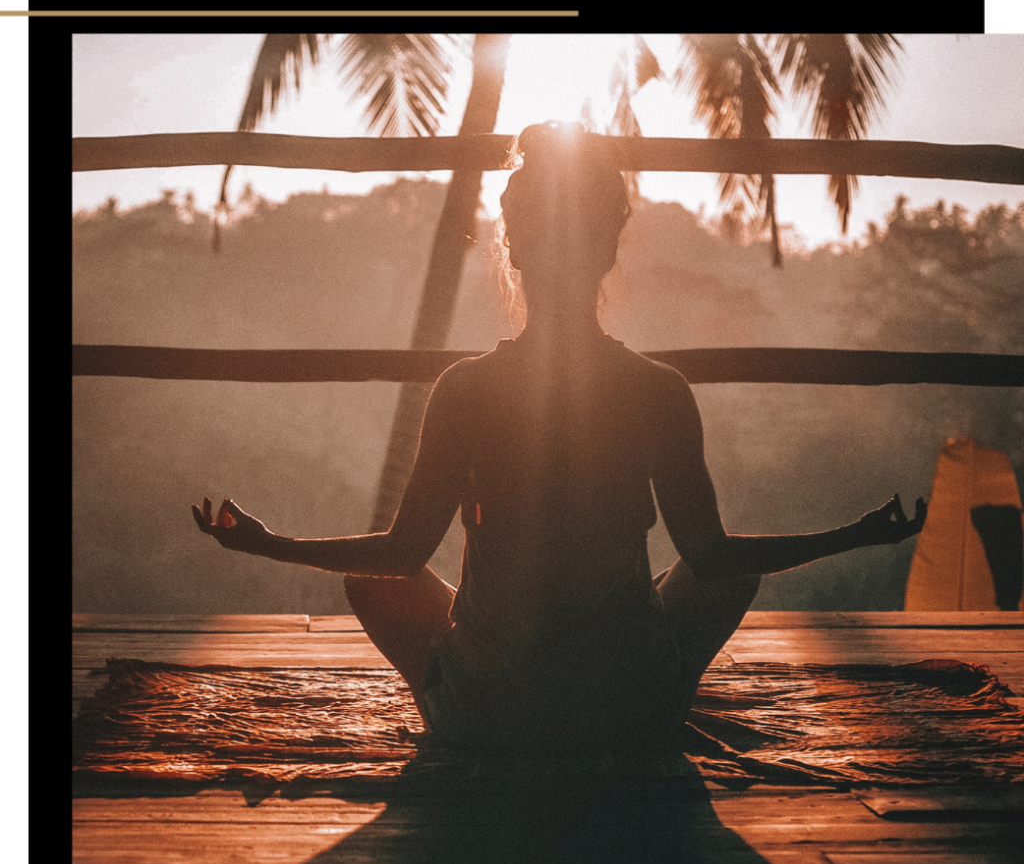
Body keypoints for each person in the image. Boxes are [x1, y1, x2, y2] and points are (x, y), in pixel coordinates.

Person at [193, 122, 926, 756]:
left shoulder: (466, 390)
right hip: (628, 710)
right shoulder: (658, 390)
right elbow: (713, 556)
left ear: (514, 250)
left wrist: (269, 543)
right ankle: (657, 696)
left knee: (371, 580)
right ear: (608, 250)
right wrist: (855, 534)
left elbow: (400, 554)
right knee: (730, 571)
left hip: (492, 715)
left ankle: (467, 698)